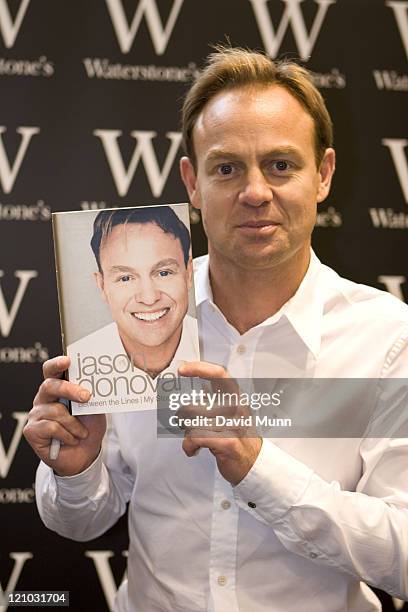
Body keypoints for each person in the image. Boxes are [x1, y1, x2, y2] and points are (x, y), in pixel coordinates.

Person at [24, 47, 408, 611]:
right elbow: (79, 523)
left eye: (281, 165)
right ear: (193, 182)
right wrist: (77, 474)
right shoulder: (129, 317)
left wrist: (259, 471)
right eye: (226, 168)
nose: (255, 193)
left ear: (323, 174)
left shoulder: (387, 338)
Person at [66, 206, 199, 414]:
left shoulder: (223, 348)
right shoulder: (74, 368)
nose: (148, 298)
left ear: (188, 273)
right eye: (126, 278)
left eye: (163, 273)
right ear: (102, 286)